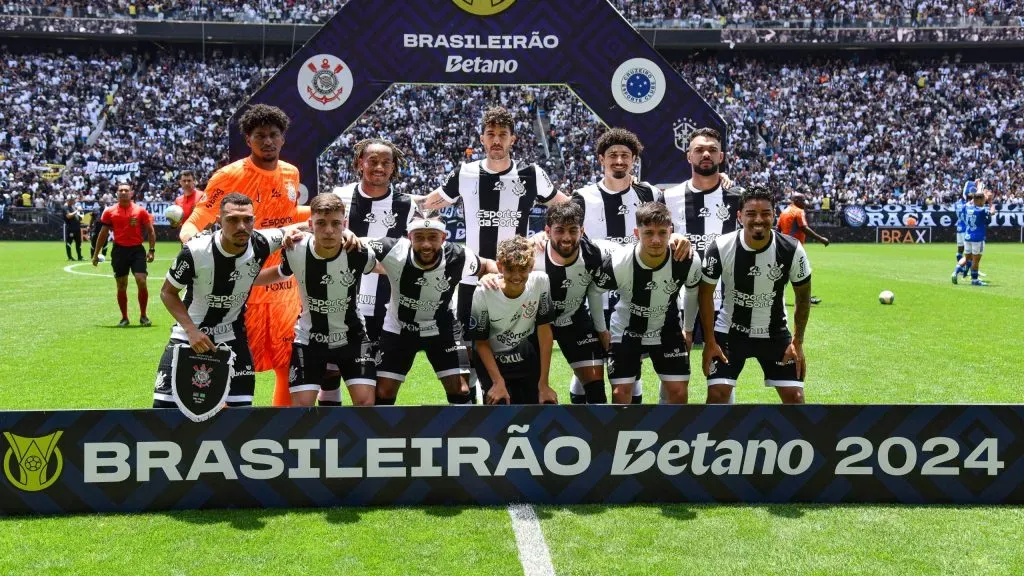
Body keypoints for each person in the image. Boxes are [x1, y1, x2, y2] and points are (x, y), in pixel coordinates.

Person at [416, 106, 570, 401]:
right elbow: (428, 203)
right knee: (471, 355)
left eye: (503, 134)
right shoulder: (465, 173)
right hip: (472, 280)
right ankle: (475, 418)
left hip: (516, 281)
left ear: (513, 139)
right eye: (491, 134)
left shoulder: (531, 174)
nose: (496, 140)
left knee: (520, 353)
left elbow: (567, 208)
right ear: (482, 139)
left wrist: (545, 233)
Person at [178, 104, 311, 407]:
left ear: (283, 139)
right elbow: (199, 217)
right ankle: (221, 430)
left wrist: (316, 216)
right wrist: (190, 241)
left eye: (274, 135)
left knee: (289, 363)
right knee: (228, 362)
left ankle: (286, 431)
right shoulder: (229, 176)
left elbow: (285, 215)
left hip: (283, 286)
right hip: (240, 289)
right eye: (260, 136)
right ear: (248, 140)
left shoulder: (291, 173)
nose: (268, 142)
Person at [152, 193, 294, 409]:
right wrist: (191, 330)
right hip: (188, 337)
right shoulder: (196, 251)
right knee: (164, 413)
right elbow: (167, 292)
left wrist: (347, 234)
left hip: (232, 338)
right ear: (219, 221)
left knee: (239, 418)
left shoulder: (262, 242)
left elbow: (302, 228)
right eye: (233, 220)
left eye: (247, 219)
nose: (242, 226)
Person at [256, 194, 377, 407]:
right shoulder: (295, 249)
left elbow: (389, 269)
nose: (329, 230)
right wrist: (244, 281)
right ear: (310, 224)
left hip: (352, 338)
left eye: (336, 224)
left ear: (344, 224)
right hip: (310, 339)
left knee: (365, 403)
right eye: (321, 223)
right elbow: (279, 272)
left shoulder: (357, 251)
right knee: (302, 409)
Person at [568, 127, 661, 404]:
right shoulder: (583, 197)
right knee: (589, 366)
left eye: (625, 155)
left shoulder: (651, 195)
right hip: (591, 296)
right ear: (601, 159)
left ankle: (628, 431)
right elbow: (565, 232)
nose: (619, 161)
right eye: (612, 155)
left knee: (632, 369)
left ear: (634, 159)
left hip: (634, 297)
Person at [367, 211, 498, 405]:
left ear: (443, 238)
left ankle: (466, 428)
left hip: (441, 328)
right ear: (409, 237)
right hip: (399, 328)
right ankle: (383, 434)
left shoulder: (459, 256)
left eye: (433, 238)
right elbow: (358, 243)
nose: (426, 245)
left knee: (460, 390)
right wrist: (345, 235)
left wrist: (492, 275)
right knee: (383, 392)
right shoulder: (393, 249)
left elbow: (487, 264)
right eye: (419, 237)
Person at [700, 186, 813, 405]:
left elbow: (803, 297)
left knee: (795, 398)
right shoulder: (721, 247)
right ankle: (717, 440)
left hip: (775, 334)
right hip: (730, 334)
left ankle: (794, 440)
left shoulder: (792, 249)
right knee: (717, 396)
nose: (758, 220)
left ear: (774, 215)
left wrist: (797, 342)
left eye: (765, 213)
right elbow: (705, 295)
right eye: (751, 214)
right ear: (740, 216)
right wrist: (710, 341)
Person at [590, 202, 702, 405]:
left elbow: (693, 292)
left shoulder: (688, 260)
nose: (656, 240)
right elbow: (594, 291)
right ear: (636, 232)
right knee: (620, 395)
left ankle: (670, 436)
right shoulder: (619, 262)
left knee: (678, 393)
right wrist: (602, 330)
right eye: (648, 233)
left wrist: (688, 329)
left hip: (667, 329)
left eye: (662, 232)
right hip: (626, 330)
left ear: (671, 231)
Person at [332, 138, 415, 352]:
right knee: (330, 375)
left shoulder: (406, 205)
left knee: (379, 379)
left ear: (393, 167)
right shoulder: (340, 196)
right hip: (339, 301)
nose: (379, 167)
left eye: (386, 162)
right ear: (361, 163)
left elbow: (414, 253)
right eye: (373, 161)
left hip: (386, 307)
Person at [470, 236, 556, 405]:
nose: (516, 276)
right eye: (510, 269)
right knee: (499, 407)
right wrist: (497, 382)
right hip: (493, 360)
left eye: (523, 269)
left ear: (531, 266)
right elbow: (481, 341)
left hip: (526, 356)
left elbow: (545, 331)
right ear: (500, 266)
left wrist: (544, 383)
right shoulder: (483, 291)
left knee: (538, 407)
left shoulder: (541, 281)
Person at [91, 181, 156, 327]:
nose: (124, 192)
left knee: (141, 280)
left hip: (137, 250)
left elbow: (150, 230)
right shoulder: (109, 212)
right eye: (121, 190)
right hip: (119, 251)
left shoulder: (140, 211)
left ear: (131, 193)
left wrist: (151, 250)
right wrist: (96, 253)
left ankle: (144, 316)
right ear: (117, 193)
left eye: (126, 190)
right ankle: (124, 317)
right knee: (121, 285)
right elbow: (103, 233)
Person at [777, 192, 829, 305]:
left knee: (784, 273)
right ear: (796, 200)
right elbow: (804, 228)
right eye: (803, 200)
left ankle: (775, 296)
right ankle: (805, 299)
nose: (805, 203)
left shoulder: (784, 212)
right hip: (795, 247)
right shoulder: (798, 211)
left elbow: (778, 229)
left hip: (784, 246)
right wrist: (821, 239)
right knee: (803, 272)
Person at [954, 189, 996, 286]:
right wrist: (990, 201)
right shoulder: (981, 210)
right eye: (983, 200)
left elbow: (970, 203)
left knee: (967, 257)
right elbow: (992, 212)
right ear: (981, 201)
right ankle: (975, 279)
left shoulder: (967, 207)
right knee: (975, 259)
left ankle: (955, 272)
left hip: (967, 236)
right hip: (977, 238)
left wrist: (979, 197)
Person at [952, 180, 975, 280]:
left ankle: (961, 269)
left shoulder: (957, 204)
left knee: (959, 251)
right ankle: (965, 270)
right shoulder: (968, 205)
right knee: (969, 255)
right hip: (966, 229)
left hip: (959, 228)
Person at [63, 196, 83, 261]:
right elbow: (68, 216)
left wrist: (81, 213)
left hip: (77, 228)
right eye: (73, 200)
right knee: (69, 242)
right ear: (69, 200)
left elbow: (79, 217)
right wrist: (77, 210)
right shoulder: (65, 207)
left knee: (78, 242)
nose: (74, 201)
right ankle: (70, 257)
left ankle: (80, 257)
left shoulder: (73, 207)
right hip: (71, 228)